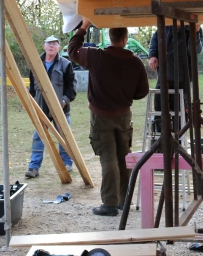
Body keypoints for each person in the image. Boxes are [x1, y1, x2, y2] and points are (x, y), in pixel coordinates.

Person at [68, 18, 149, 216]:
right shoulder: (135, 62)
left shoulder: (96, 56)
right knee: (124, 156)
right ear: (125, 39)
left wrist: (84, 26)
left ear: (109, 37)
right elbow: (142, 92)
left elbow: (73, 50)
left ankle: (110, 204)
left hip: (100, 116)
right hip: (123, 115)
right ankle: (124, 200)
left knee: (108, 158)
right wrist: (125, 95)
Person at [25, 36, 77, 179]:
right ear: (44, 46)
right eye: (49, 43)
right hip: (41, 110)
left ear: (58, 47)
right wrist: (33, 103)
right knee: (38, 138)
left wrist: (64, 101)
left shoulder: (66, 64)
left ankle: (67, 164)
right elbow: (32, 87)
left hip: (61, 110)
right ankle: (33, 168)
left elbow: (72, 87)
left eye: (54, 44)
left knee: (64, 137)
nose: (51, 46)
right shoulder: (35, 64)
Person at [148, 26, 201, 130]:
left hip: (182, 80)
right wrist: (152, 55)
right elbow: (155, 39)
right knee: (160, 113)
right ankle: (160, 137)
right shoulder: (165, 26)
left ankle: (178, 138)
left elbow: (194, 50)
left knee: (180, 116)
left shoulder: (192, 28)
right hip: (163, 78)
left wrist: (195, 34)